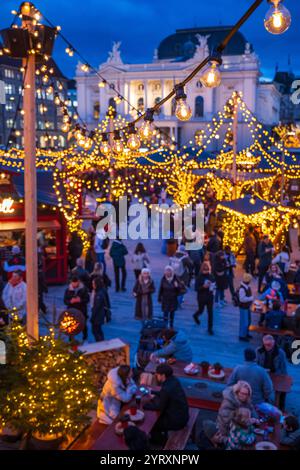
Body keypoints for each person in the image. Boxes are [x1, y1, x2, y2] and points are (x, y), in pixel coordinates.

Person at [143, 364, 189, 445]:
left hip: (177, 421)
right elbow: (165, 394)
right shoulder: (174, 380)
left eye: (157, 374)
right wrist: (153, 392)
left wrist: (144, 406)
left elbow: (159, 407)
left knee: (152, 424)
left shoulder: (166, 388)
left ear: (163, 375)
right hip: (183, 415)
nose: (155, 376)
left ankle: (161, 442)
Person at [64, 275, 90, 341]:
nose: (74, 284)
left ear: (78, 282)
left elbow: (87, 299)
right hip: (71, 311)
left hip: (82, 310)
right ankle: (71, 340)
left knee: (83, 325)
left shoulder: (84, 289)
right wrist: (70, 301)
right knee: (71, 326)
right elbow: (65, 300)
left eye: (75, 283)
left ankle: (85, 338)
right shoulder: (68, 290)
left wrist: (80, 300)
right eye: (73, 283)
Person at [193, 262, 215, 335]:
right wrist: (203, 287)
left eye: (207, 269)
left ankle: (210, 328)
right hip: (201, 297)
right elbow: (196, 288)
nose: (206, 271)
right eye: (205, 269)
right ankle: (195, 316)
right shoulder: (199, 277)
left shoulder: (211, 276)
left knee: (210, 313)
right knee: (201, 310)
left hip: (210, 297)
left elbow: (214, 285)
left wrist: (213, 287)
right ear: (202, 269)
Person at [90, 276, 110, 341]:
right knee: (98, 330)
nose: (92, 285)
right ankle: (101, 343)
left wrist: (92, 317)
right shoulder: (101, 290)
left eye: (93, 283)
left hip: (98, 315)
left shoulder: (99, 294)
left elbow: (96, 307)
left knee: (95, 330)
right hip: (100, 314)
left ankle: (100, 344)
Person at [238, 273, 254, 342]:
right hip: (243, 307)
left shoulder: (247, 287)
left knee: (248, 321)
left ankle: (246, 333)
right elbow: (242, 299)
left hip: (247, 306)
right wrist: (251, 298)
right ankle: (242, 335)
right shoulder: (242, 289)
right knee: (244, 322)